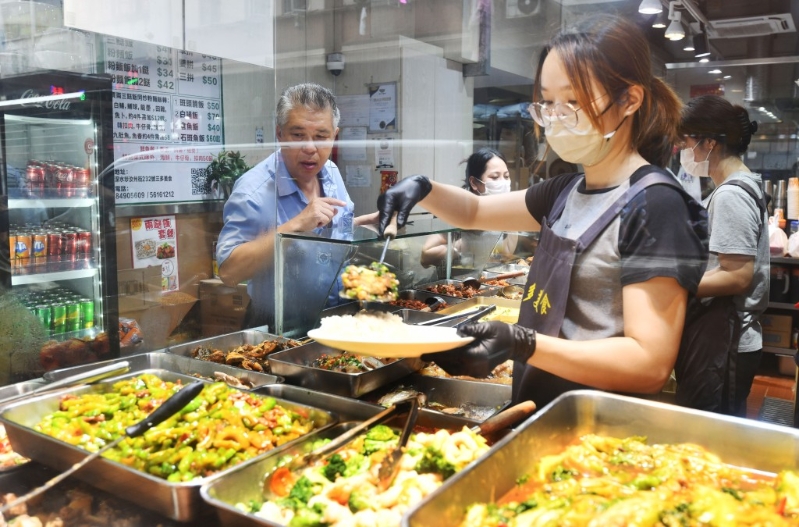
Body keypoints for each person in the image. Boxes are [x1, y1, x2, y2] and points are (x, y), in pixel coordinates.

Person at [376, 14, 709, 409]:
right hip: (541, 408)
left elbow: (648, 363)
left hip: (599, 427)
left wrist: (523, 342)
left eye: (574, 101)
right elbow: (474, 211)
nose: (556, 117)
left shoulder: (655, 204)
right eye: (548, 103)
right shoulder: (565, 191)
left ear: (630, 100)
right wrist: (422, 187)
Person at [216, 83, 375, 328]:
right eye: (298, 135)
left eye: (321, 137)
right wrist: (294, 226)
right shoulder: (254, 191)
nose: (310, 148)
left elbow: (321, 235)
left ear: (334, 136)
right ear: (280, 134)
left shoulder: (330, 172)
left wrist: (358, 224)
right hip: (279, 323)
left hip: (336, 316)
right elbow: (228, 272)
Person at [677, 95, 767, 417]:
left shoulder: (730, 194)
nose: (683, 152)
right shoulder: (737, 186)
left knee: (709, 433)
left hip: (728, 343)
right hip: (726, 339)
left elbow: (737, 275)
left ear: (709, 143)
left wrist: (675, 284)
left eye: (686, 143)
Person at [420, 148, 517, 269]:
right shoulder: (454, 208)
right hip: (452, 284)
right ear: (474, 183)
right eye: (495, 177)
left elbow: (506, 255)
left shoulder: (507, 211)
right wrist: (467, 244)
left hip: (488, 281)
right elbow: (426, 257)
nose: (503, 183)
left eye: (506, 176)